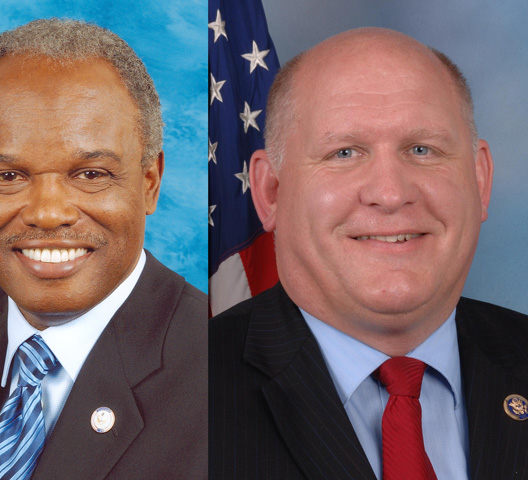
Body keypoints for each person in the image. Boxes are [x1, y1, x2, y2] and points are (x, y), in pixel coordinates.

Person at [0, 19, 207, 480]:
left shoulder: (228, 379)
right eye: (8, 176)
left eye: (91, 174)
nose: (48, 213)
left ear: (149, 184)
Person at [210, 27, 528, 479]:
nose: (390, 193)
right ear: (271, 192)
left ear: (479, 181)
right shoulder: (182, 397)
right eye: (344, 153)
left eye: (422, 149)